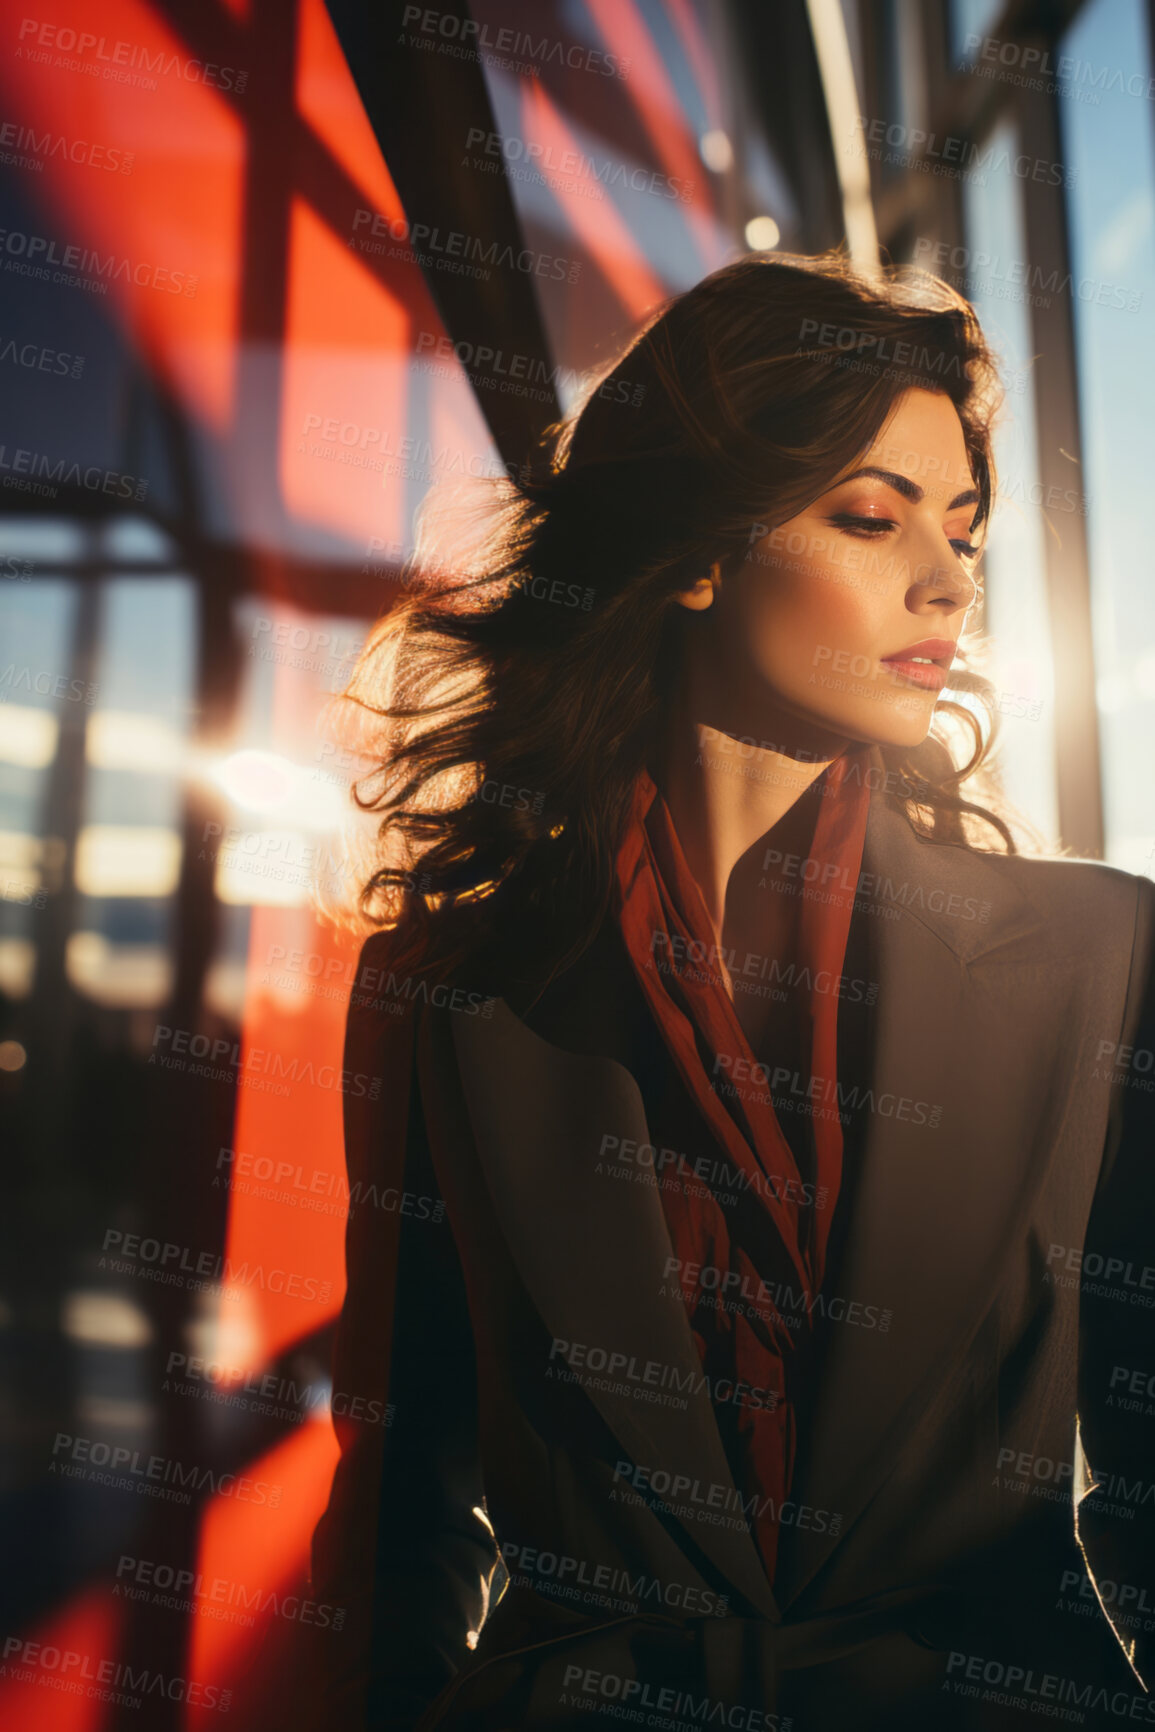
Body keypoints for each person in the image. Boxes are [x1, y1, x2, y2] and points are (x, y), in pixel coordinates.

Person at [309, 252, 1155, 1731]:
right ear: (694, 550)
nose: (949, 578)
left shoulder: (1105, 963)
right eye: (869, 517)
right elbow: (401, 1484)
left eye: (961, 528)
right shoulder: (453, 991)